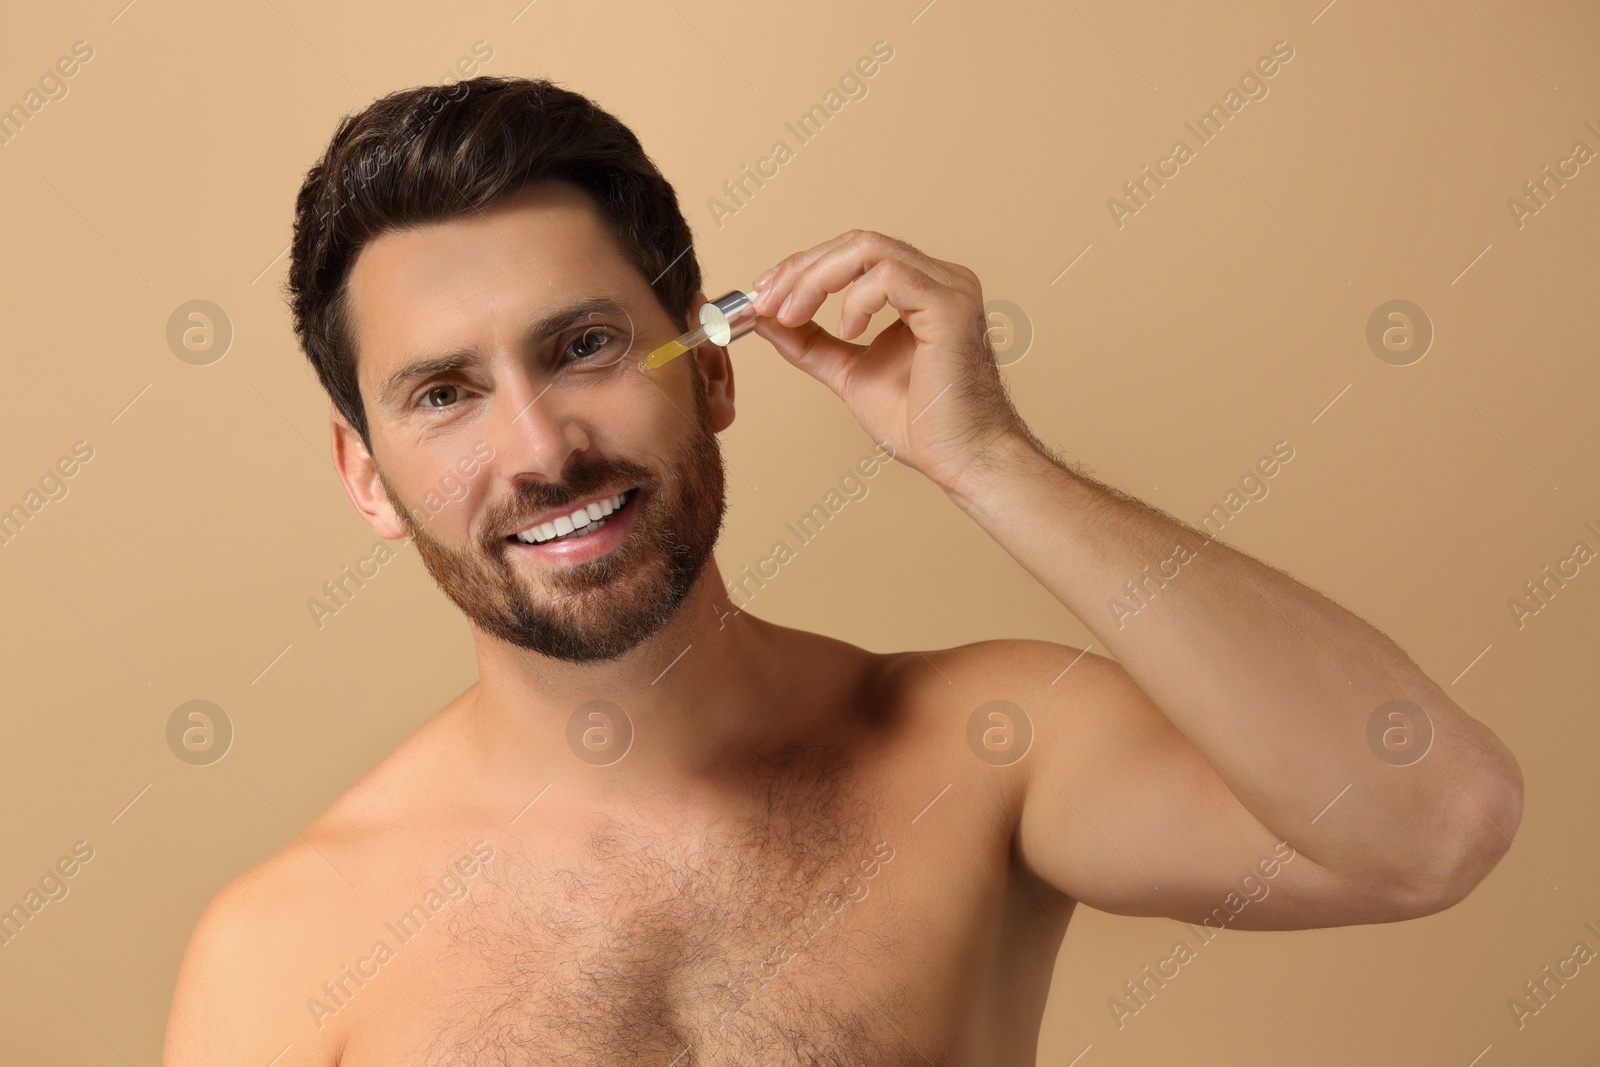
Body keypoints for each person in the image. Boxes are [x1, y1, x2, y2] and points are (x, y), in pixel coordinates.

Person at [163, 75, 1522, 1066]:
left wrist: (988, 459)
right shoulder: (279, 952)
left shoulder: (981, 749)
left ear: (709, 371)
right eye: (446, 393)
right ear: (365, 474)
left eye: (584, 349)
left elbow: (1433, 827)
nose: (541, 449)